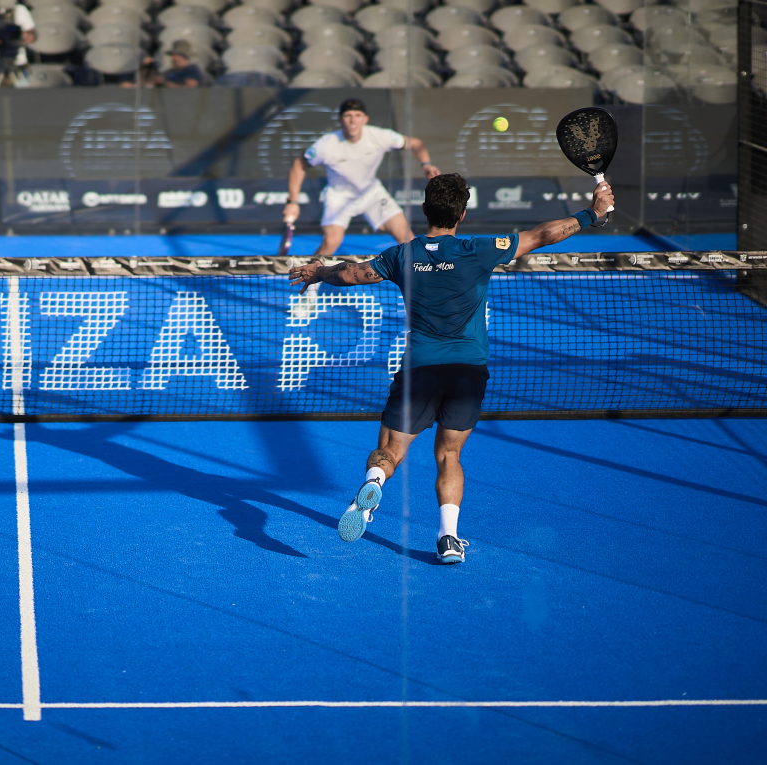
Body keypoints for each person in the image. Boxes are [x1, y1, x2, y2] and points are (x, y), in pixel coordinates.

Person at [288, 172, 615, 564]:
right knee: (449, 456)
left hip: (419, 371)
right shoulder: (479, 248)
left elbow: (349, 274)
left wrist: (317, 271)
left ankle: (374, 482)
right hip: (466, 372)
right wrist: (591, 214)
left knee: (389, 451)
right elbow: (543, 235)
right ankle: (447, 538)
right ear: (461, 213)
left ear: (425, 210)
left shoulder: (402, 255)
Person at [285, 98, 440, 317]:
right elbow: (299, 164)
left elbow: (416, 144)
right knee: (331, 242)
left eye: (357, 116)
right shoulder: (326, 144)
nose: (353, 121)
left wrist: (426, 164)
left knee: (408, 239)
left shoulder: (379, 136)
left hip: (371, 193)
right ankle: (309, 295)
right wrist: (292, 202)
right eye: (348, 116)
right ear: (340, 120)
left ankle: (430, 292)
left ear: (365, 119)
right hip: (339, 196)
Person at [138, 40, 208, 87]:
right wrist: (146, 69)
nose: (174, 58)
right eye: (173, 55)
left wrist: (165, 83)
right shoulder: (169, 71)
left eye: (178, 55)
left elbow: (189, 90)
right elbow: (146, 83)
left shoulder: (192, 70)